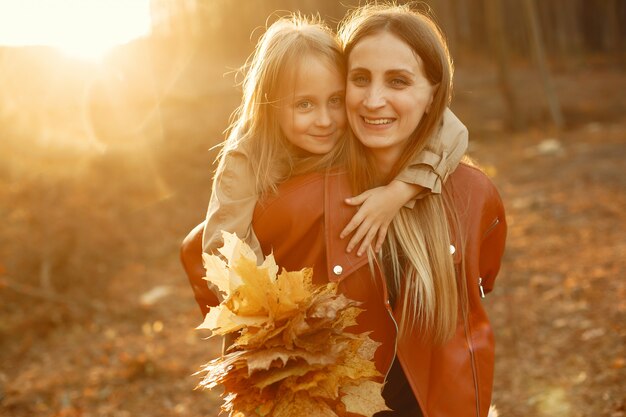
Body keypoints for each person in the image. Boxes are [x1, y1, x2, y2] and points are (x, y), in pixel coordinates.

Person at [184, 12, 469, 315]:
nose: (324, 121)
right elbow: (224, 245)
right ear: (270, 104)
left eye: (335, 100)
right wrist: (276, 311)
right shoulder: (248, 157)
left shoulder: (353, 134)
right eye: (304, 104)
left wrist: (398, 192)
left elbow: (449, 129)